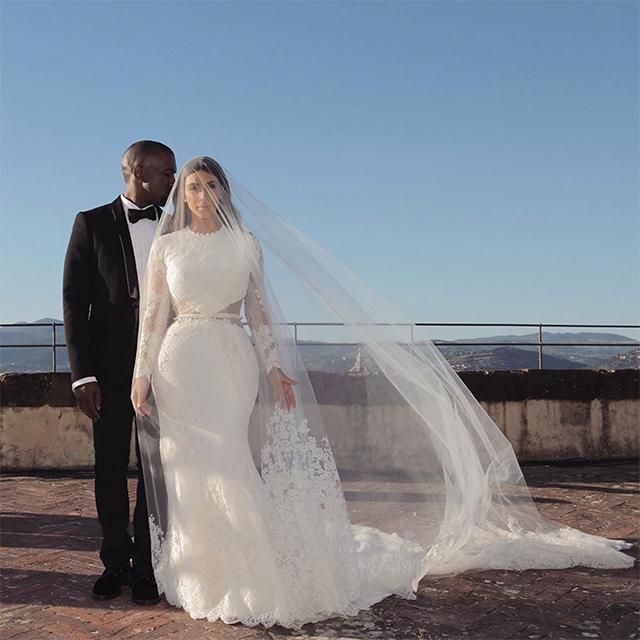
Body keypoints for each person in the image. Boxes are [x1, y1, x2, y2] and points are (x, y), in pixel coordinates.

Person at [131, 156, 635, 630]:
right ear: (182, 193)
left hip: (230, 356)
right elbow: (153, 314)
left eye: (210, 184)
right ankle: (198, 573)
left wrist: (276, 366)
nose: (201, 194)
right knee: (188, 466)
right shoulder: (167, 247)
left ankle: (248, 573)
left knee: (229, 455)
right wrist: (141, 372)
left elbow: (259, 312)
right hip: (180, 359)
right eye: (192, 187)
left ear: (224, 189)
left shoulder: (246, 244)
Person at [63, 140, 176, 605]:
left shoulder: (178, 224)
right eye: (166, 171)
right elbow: (74, 302)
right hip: (107, 372)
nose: (173, 179)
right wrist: (81, 375)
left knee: (158, 472)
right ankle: (116, 563)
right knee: (109, 469)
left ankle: (149, 567)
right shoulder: (89, 223)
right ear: (138, 172)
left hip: (169, 367)